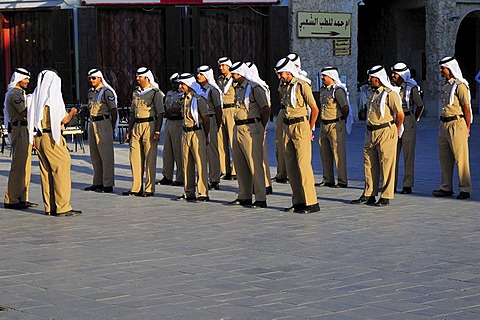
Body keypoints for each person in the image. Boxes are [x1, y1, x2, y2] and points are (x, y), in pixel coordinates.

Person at [27, 69, 82, 217]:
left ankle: (50, 207)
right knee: (61, 169)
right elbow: (62, 120)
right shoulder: (53, 98)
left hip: (39, 137)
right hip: (52, 137)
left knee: (46, 172)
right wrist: (72, 113)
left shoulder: (34, 97)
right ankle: (63, 206)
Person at [351, 65, 404, 207]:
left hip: (385, 131)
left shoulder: (390, 93)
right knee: (369, 163)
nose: (370, 80)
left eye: (372, 78)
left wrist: (395, 130)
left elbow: (399, 115)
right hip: (370, 132)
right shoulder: (370, 92)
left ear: (379, 78)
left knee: (386, 164)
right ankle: (369, 194)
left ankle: (386, 195)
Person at [275, 57, 320, 214]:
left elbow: (314, 109)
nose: (279, 77)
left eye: (281, 73)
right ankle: (298, 201)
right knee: (291, 165)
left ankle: (311, 202)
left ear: (288, 71)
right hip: (287, 126)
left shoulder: (302, 85)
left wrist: (310, 128)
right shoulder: (284, 86)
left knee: (303, 164)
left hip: (300, 126)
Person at [227, 62, 270, 208]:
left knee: (254, 163)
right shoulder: (237, 88)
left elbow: (265, 109)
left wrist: (261, 126)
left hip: (251, 128)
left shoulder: (254, 88)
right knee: (240, 164)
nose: (232, 76)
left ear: (242, 74)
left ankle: (260, 198)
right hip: (238, 127)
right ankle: (244, 195)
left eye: (235, 74)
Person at [432, 56, 472, 200]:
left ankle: (465, 188)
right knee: (445, 157)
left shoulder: (460, 85)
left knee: (460, 158)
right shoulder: (446, 85)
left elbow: (467, 108)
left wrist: (467, 127)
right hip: (444, 124)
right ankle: (446, 187)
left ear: (450, 68)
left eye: (443, 68)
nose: (441, 70)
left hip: (456, 123)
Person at [123, 67, 165, 197]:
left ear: (147, 78)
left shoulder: (154, 92)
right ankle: (136, 187)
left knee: (150, 158)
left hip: (149, 125)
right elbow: (132, 112)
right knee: (134, 157)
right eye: (136, 76)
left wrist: (157, 131)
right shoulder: (136, 92)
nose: (137, 79)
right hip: (137, 126)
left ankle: (149, 188)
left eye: (139, 77)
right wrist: (129, 129)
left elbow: (160, 113)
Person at [3, 68, 38, 210]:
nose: (28, 81)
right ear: (19, 79)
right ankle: (11, 198)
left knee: (26, 166)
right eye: (26, 79)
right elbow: (25, 112)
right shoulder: (14, 94)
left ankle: (22, 197)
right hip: (20, 129)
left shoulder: (22, 93)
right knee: (18, 165)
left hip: (26, 129)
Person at [175, 73, 210, 202]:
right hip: (185, 133)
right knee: (186, 163)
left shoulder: (198, 99)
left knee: (200, 163)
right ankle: (189, 191)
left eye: (182, 84)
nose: (180, 87)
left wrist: (205, 135)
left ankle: (202, 192)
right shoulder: (184, 99)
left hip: (197, 133)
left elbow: (205, 119)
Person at [391, 62, 424, 194]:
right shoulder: (391, 87)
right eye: (393, 73)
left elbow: (420, 105)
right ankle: (390, 183)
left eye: (396, 74)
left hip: (408, 119)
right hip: (394, 120)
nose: (393, 75)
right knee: (392, 153)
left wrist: (415, 119)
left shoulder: (411, 88)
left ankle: (407, 184)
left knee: (408, 154)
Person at [83, 69, 118, 193]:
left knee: (106, 155)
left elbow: (113, 110)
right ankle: (97, 182)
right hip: (93, 123)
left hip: (103, 123)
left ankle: (108, 184)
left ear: (99, 78)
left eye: (93, 78)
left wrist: (112, 126)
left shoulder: (106, 92)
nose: (91, 80)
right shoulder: (91, 92)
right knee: (95, 154)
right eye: (90, 78)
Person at [316, 66, 351, 189]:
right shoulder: (323, 90)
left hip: (335, 125)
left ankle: (342, 180)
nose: (322, 78)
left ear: (331, 76)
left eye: (324, 76)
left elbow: (345, 108)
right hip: (324, 125)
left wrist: (340, 120)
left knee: (338, 153)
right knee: (324, 153)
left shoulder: (338, 91)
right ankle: (328, 179)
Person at [246, 60, 273, 195]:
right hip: (251, 127)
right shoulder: (248, 87)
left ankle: (266, 184)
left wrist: (263, 125)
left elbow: (266, 107)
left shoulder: (260, 86)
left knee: (261, 156)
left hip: (259, 125)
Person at [197, 65, 223, 190]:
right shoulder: (199, 89)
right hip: (200, 120)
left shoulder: (213, 90)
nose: (198, 76)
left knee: (212, 150)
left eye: (201, 74)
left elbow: (218, 108)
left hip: (211, 119)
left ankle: (214, 179)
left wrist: (217, 124)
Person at [157, 72, 184, 186]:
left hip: (178, 122)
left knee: (179, 151)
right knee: (167, 151)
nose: (173, 85)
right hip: (169, 122)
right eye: (172, 83)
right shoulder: (168, 93)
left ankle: (180, 177)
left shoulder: (183, 94)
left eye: (175, 83)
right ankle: (167, 176)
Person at [216, 57, 237, 180]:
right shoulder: (219, 80)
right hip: (221, 110)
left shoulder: (233, 80)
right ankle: (224, 169)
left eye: (224, 65)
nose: (221, 68)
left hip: (231, 109)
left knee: (233, 140)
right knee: (221, 141)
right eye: (220, 66)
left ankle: (235, 169)